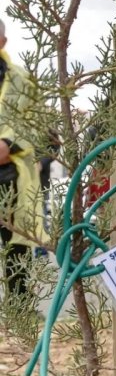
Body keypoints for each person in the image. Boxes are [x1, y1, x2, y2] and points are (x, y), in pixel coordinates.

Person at [0, 19, 44, 299]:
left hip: (11, 177)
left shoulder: (22, 80)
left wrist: (8, 144)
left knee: (16, 252)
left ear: (3, 42)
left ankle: (20, 321)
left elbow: (37, 123)